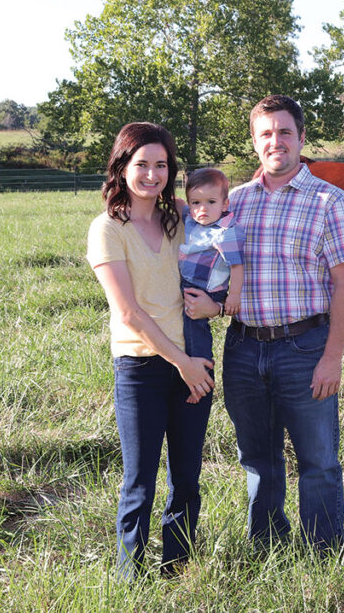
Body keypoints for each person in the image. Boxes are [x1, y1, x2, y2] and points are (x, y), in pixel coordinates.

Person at [184, 94, 344, 549]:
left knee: (318, 459)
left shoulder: (331, 201)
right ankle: (266, 544)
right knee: (256, 457)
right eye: (266, 133)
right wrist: (213, 306)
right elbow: (214, 267)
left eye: (285, 132)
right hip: (244, 348)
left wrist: (332, 357)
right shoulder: (234, 203)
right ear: (254, 142)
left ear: (301, 138)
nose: (276, 141)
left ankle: (323, 550)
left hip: (305, 347)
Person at [85, 122, 215, 579]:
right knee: (139, 480)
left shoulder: (180, 217)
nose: (152, 174)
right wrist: (181, 364)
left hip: (195, 361)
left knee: (187, 477)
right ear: (122, 168)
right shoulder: (107, 229)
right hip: (142, 367)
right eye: (142, 164)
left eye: (161, 165)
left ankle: (178, 568)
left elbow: (218, 261)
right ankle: (130, 577)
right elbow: (129, 312)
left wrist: (217, 306)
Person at [179, 167, 244, 403]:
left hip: (208, 289)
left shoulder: (226, 232)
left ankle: (201, 379)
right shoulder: (193, 221)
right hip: (187, 282)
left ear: (225, 204)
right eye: (196, 202)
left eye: (210, 202)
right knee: (180, 327)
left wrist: (233, 297)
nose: (202, 209)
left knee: (195, 328)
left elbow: (237, 266)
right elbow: (179, 205)